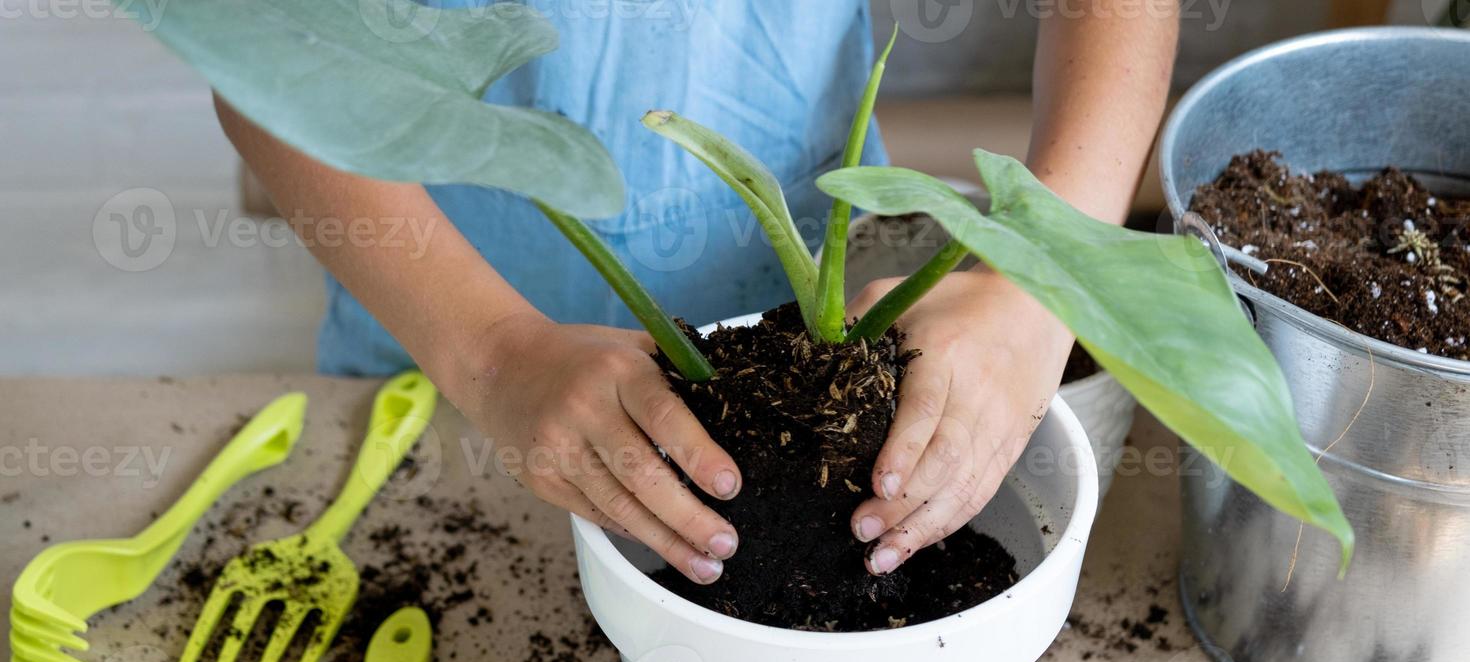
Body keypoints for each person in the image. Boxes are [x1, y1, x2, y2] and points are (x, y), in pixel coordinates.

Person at [217, 1, 1177, 586]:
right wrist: (493, 353)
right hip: (434, 352)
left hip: (796, 316)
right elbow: (257, 45)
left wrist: (1040, 277)